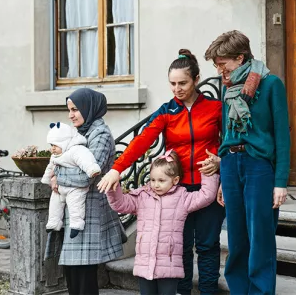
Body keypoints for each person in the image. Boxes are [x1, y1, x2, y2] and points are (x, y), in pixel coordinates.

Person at [98, 49, 224, 294]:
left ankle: (209, 292)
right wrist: (117, 169)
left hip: (209, 185)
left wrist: (221, 163)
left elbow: (230, 143)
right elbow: (142, 140)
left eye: (183, 83)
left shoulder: (215, 108)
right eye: (172, 83)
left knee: (208, 245)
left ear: (197, 80)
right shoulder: (168, 111)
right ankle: (183, 292)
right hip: (176, 189)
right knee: (181, 247)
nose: (177, 89)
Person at [204, 30, 290, 294]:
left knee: (260, 237)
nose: (219, 69)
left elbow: (282, 136)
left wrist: (280, 182)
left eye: (223, 63)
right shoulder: (228, 89)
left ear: (240, 58)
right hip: (231, 165)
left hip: (259, 167)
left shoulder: (271, 84)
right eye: (216, 65)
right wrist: (221, 177)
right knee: (237, 240)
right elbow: (227, 136)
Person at [104, 150, 220, 295]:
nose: (156, 185)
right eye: (152, 180)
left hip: (169, 265)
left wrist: (208, 173)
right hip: (145, 263)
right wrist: (113, 188)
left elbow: (206, 196)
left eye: (161, 180)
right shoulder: (142, 196)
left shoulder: (182, 198)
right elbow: (120, 204)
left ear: (175, 180)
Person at [45, 88, 124, 295]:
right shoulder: (79, 132)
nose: (71, 115)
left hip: (91, 213)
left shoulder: (101, 135)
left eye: (75, 109)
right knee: (73, 272)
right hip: (75, 210)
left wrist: (58, 177)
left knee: (84, 276)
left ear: (89, 108)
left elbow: (86, 176)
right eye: (69, 110)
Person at [41, 121, 101, 238]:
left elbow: (85, 160)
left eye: (55, 145)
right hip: (60, 187)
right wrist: (47, 178)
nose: (52, 149)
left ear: (64, 142)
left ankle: (76, 225)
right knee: (54, 203)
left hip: (75, 187)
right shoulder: (55, 156)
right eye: (51, 145)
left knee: (76, 205)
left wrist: (92, 169)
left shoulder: (76, 150)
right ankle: (53, 223)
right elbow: (50, 168)